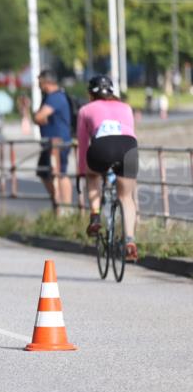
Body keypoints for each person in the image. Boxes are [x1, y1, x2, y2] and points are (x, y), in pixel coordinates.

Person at [77, 75, 139, 262]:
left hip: (101, 148)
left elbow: (82, 144)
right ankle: (130, 240)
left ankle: (95, 216)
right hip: (128, 147)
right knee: (126, 197)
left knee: (92, 175)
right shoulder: (126, 107)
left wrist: (81, 171)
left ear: (90, 94)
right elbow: (130, 132)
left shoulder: (86, 110)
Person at [32, 70, 73, 215]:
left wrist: (38, 117)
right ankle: (58, 203)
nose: (38, 86)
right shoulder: (51, 97)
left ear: (46, 82)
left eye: (40, 83)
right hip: (50, 142)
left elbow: (40, 117)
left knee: (60, 172)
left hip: (58, 142)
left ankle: (65, 207)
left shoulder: (54, 97)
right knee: (44, 172)